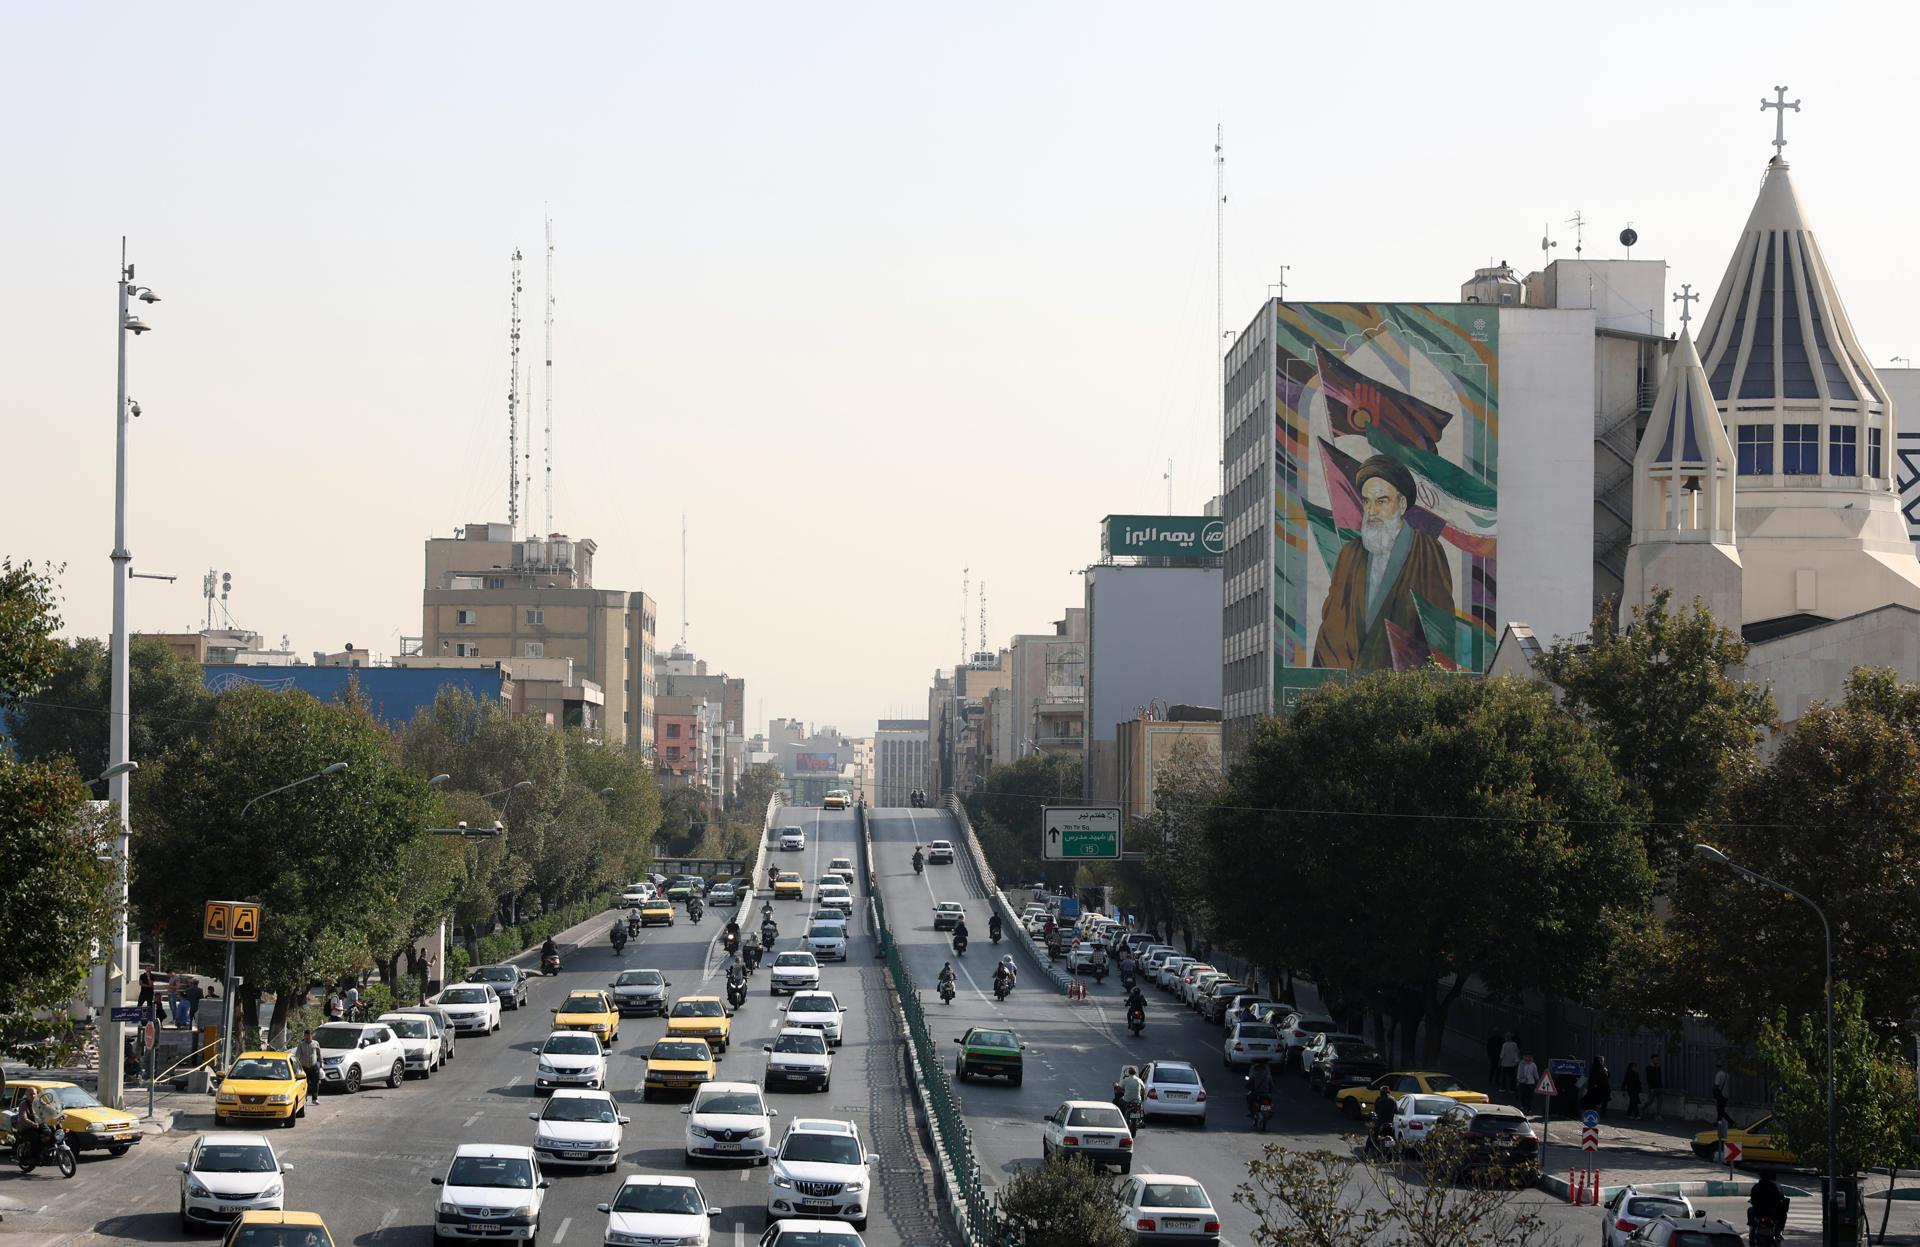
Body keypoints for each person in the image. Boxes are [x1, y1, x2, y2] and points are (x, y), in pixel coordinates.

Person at [1312, 454, 1456, 671]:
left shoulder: (1427, 551)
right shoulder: (1350, 554)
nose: (1371, 511)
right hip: (1348, 689)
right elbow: (1331, 626)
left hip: (1403, 691)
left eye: (1381, 501)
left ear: (1401, 503)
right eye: (1366, 501)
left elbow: (1440, 632)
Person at [294, 1028, 322, 1102]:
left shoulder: (316, 1043)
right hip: (304, 1067)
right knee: (304, 1084)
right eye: (305, 1036)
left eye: (308, 1036)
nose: (307, 1038)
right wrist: (297, 1067)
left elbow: (319, 1054)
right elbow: (297, 1056)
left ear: (311, 1036)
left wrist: (321, 1064)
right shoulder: (301, 1044)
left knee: (315, 1083)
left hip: (314, 1066)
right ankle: (304, 1098)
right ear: (304, 1036)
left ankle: (315, 1098)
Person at [1584, 1055, 1612, 1121]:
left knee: (1595, 1101)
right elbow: (1605, 1076)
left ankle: (1596, 1114)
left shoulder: (1598, 1068)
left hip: (1599, 1088)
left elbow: (1607, 1076)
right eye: (1601, 1060)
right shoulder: (1600, 1068)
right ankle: (1601, 1113)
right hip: (1602, 1088)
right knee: (1601, 1101)